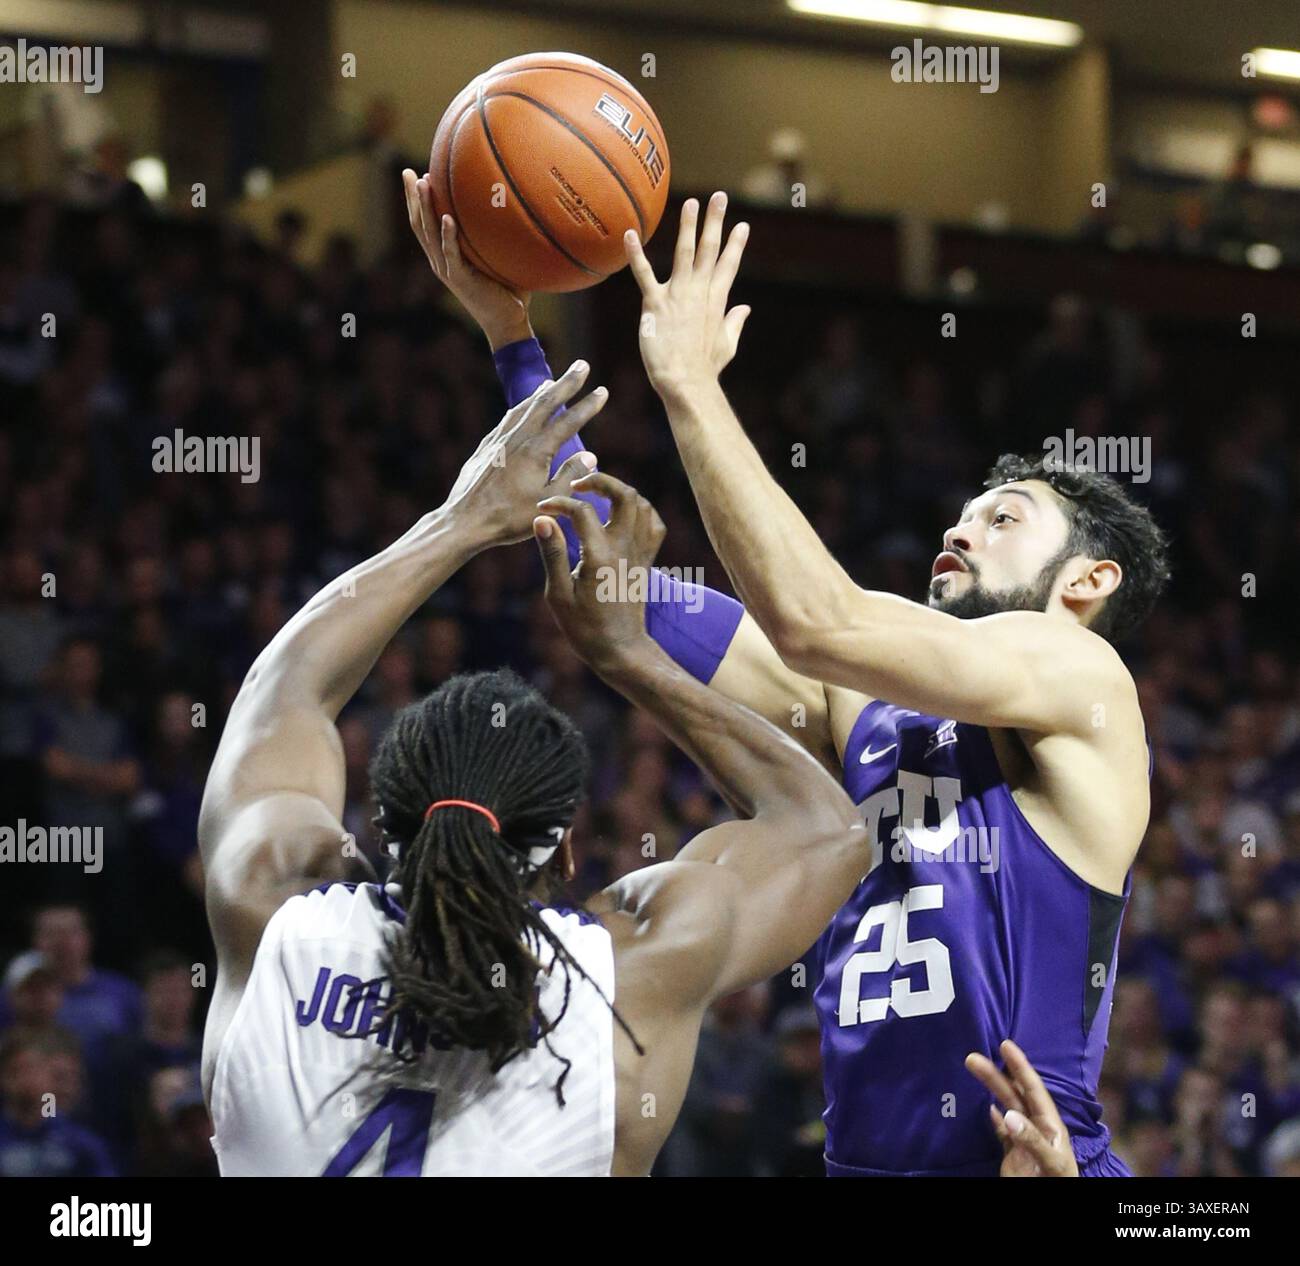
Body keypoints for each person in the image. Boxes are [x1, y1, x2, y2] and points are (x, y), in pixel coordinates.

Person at [401, 171, 1169, 1177]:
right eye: (966, 509)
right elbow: (617, 572)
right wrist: (510, 333)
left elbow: (817, 620)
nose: (960, 523)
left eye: (1004, 516)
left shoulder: (1084, 677)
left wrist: (689, 385)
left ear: (1087, 582)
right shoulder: (867, 709)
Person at [199, 367, 872, 1176]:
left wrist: (462, 521)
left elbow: (287, 689)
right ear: (566, 850)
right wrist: (624, 649)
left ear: (380, 821)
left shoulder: (270, 910)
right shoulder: (629, 977)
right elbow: (826, 830)